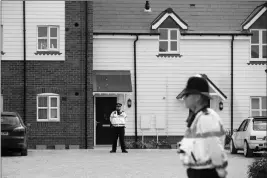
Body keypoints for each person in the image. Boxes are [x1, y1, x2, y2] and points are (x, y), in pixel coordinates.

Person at [177, 74, 228, 178]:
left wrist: (220, 168)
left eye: (187, 95)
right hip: (198, 171)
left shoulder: (206, 117)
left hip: (206, 173)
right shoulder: (199, 116)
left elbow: (214, 144)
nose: (184, 97)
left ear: (197, 97)